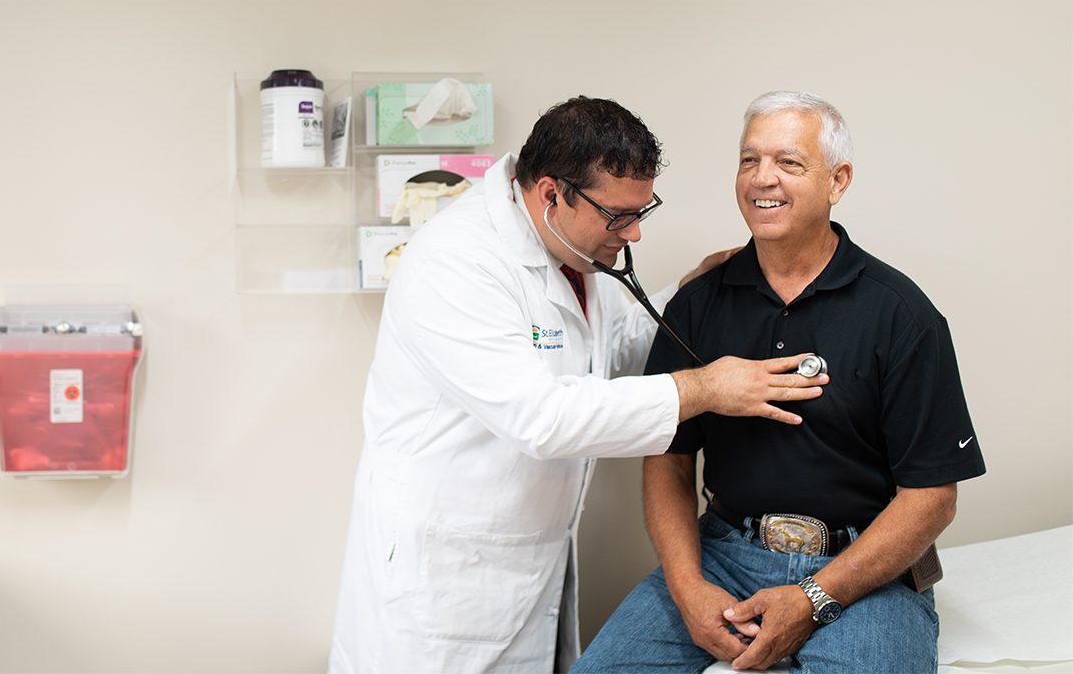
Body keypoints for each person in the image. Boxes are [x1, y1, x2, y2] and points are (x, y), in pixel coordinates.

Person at [330, 96, 831, 674]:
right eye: (619, 216)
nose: (636, 233)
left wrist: (688, 296)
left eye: (642, 212)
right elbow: (541, 418)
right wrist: (708, 388)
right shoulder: (455, 262)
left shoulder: (569, 255)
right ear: (551, 195)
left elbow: (612, 346)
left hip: (528, 558)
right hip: (442, 577)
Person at [573, 91, 987, 674]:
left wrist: (815, 598)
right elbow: (667, 461)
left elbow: (933, 498)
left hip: (861, 570)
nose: (762, 179)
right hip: (722, 556)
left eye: (789, 163)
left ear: (837, 181)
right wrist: (688, 586)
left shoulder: (900, 315)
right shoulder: (698, 303)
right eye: (749, 160)